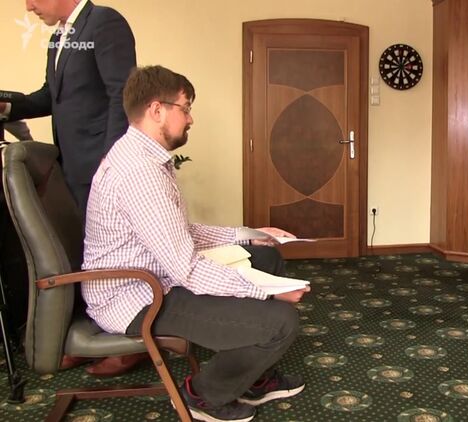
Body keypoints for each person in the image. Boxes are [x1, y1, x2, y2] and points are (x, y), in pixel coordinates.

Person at [82, 65, 309, 422]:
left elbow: (179, 231)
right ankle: (203, 395)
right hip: (137, 297)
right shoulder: (139, 172)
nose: (191, 119)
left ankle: (252, 377)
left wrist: (249, 234)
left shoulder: (144, 157)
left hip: (156, 278)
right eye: (185, 108)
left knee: (265, 257)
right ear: (157, 110)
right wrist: (266, 292)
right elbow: (186, 268)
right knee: (281, 322)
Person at [0, 0, 144, 378]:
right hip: (72, 166)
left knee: (112, 255)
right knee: (86, 253)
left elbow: (123, 94)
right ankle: (91, 337)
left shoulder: (104, 22)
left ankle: (129, 342)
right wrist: (6, 108)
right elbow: (49, 96)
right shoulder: (59, 38)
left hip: (100, 165)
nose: (28, 7)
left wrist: (110, 162)